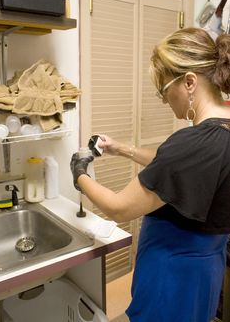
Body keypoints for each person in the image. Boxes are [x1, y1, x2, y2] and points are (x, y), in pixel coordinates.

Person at [70, 27, 230, 322]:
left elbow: (120, 208)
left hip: (172, 272)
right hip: (207, 269)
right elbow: (177, 167)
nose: (164, 100)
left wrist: (80, 173)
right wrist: (121, 149)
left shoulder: (193, 143)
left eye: (164, 90)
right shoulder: (221, 131)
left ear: (190, 82)